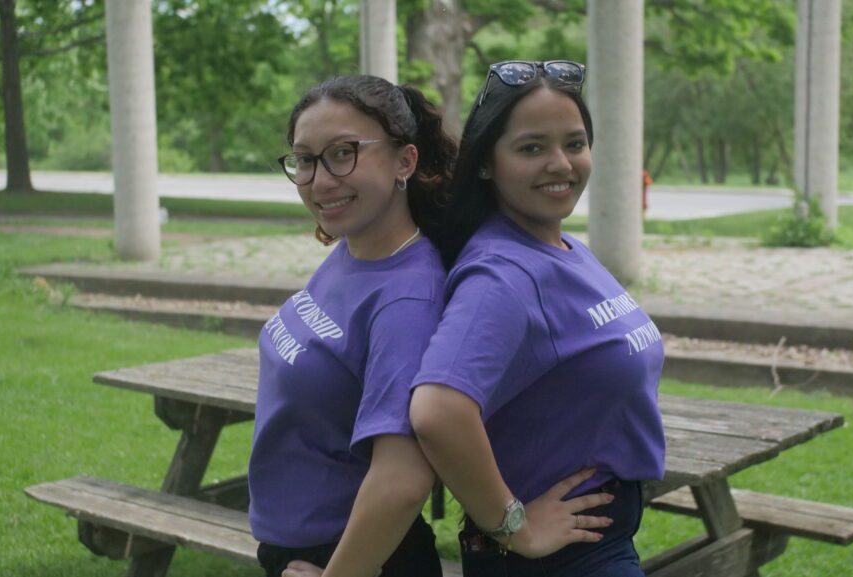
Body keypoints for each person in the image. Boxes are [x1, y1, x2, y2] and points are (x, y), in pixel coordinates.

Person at [409, 60, 667, 576]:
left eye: (574, 144)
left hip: (600, 540)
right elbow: (437, 412)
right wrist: (515, 527)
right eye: (532, 148)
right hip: (561, 560)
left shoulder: (559, 244)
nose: (561, 164)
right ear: (486, 163)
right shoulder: (503, 276)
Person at [248, 74, 456, 577]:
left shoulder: (407, 298)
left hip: (355, 557)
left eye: (344, 153)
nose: (320, 180)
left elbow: (405, 477)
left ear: (405, 161)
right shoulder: (354, 250)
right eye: (305, 159)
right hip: (304, 546)